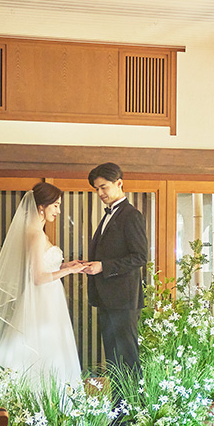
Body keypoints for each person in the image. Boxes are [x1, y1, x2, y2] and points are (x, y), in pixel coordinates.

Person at [0, 182, 86, 388]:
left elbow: (41, 264)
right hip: (42, 301)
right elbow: (38, 277)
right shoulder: (35, 235)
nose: (59, 211)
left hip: (49, 299)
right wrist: (69, 271)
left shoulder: (35, 231)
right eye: (56, 205)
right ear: (41, 206)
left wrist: (65, 264)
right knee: (39, 349)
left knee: (50, 349)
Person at [83, 162, 148, 380]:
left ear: (119, 183)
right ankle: (119, 411)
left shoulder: (131, 215)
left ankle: (132, 411)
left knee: (127, 359)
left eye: (103, 187)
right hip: (107, 299)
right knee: (113, 360)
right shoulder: (109, 216)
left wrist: (103, 266)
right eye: (96, 189)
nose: (100, 193)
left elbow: (140, 257)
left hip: (123, 301)